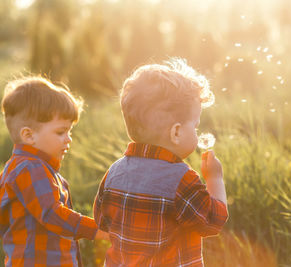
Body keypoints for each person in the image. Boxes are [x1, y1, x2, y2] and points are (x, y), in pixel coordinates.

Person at [93, 58, 228, 266]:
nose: (197, 133)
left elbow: (102, 221)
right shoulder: (181, 180)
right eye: (195, 126)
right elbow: (212, 221)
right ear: (176, 132)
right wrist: (215, 178)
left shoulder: (114, 173)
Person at [0, 77, 107, 267]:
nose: (69, 139)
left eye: (70, 131)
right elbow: (52, 214)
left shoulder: (23, 168)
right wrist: (97, 230)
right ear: (28, 135)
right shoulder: (30, 168)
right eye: (61, 132)